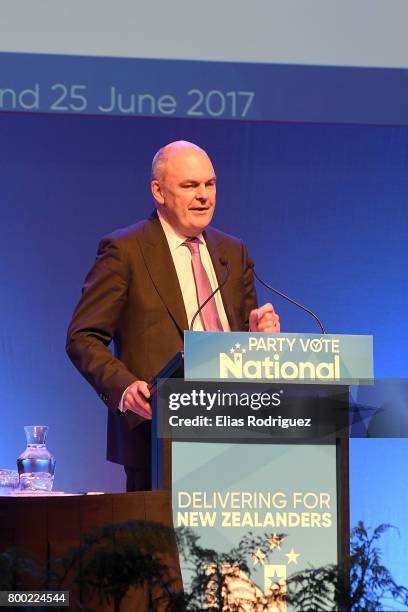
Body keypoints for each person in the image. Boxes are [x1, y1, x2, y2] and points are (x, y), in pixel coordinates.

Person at [66, 140, 280, 491]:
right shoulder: (125, 251)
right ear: (159, 191)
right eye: (190, 186)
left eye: (209, 184)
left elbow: (240, 342)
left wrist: (257, 338)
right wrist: (124, 388)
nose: (203, 196)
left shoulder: (232, 251)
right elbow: (82, 337)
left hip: (235, 431)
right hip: (158, 437)